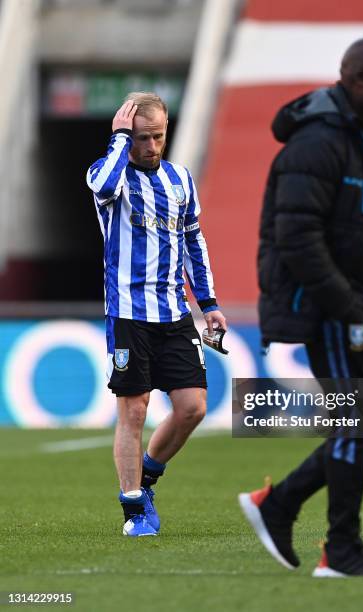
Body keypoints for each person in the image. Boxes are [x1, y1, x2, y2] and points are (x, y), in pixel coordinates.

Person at [239, 38, 363, 576]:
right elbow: (297, 238)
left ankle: (279, 503)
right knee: (360, 419)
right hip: (331, 310)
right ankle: (340, 551)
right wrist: (349, 306)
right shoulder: (316, 143)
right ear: (357, 80)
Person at [86, 92, 226, 537]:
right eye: (141, 138)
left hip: (172, 312)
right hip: (128, 312)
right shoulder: (111, 174)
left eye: (158, 136)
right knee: (134, 410)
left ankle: (147, 478)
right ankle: (133, 512)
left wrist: (209, 304)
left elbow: (193, 243)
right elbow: (102, 187)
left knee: (192, 407)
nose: (150, 146)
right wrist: (117, 140)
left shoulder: (180, 179)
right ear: (127, 136)